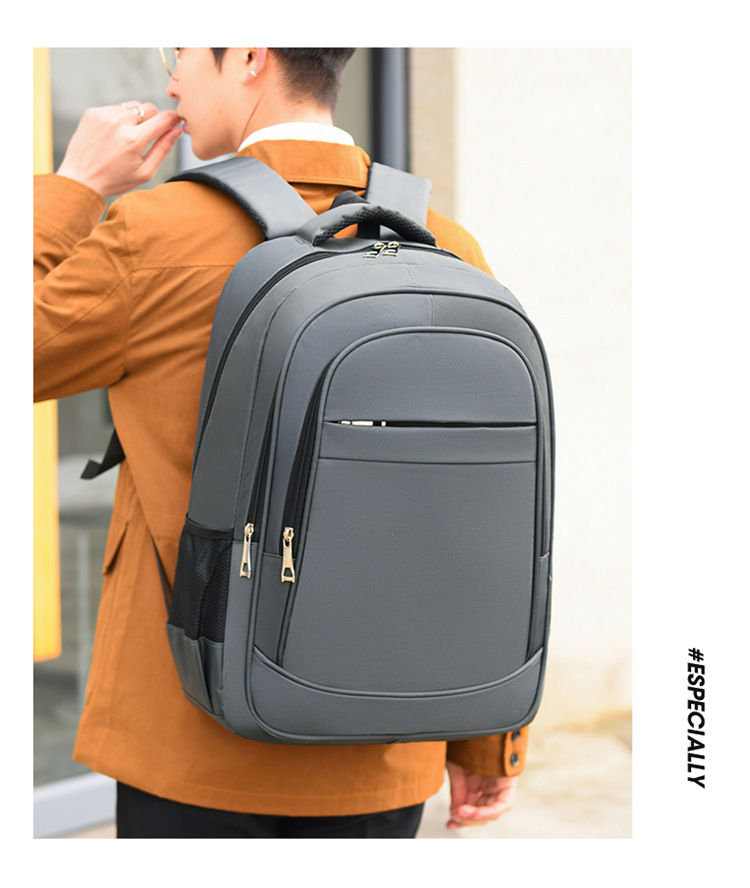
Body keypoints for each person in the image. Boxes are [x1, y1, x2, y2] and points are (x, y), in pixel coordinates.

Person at [34, 47, 529, 839]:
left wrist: (76, 186)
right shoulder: (445, 243)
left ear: (250, 55)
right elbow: (485, 508)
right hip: (387, 737)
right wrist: (486, 736)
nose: (171, 79)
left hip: (191, 738)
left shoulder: (152, 233)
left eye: (181, 53)